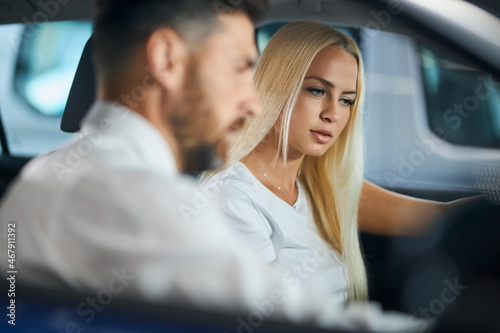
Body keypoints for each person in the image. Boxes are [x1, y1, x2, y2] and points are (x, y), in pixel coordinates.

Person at [0, 1, 424, 332]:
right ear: (166, 59)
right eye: (239, 68)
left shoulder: (51, 174)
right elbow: (292, 322)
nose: (254, 101)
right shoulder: (134, 197)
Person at [203, 21, 474, 306]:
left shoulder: (321, 184)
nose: (333, 113)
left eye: (346, 100)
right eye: (317, 91)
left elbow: (438, 217)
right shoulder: (233, 197)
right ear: (276, 86)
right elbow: (268, 318)